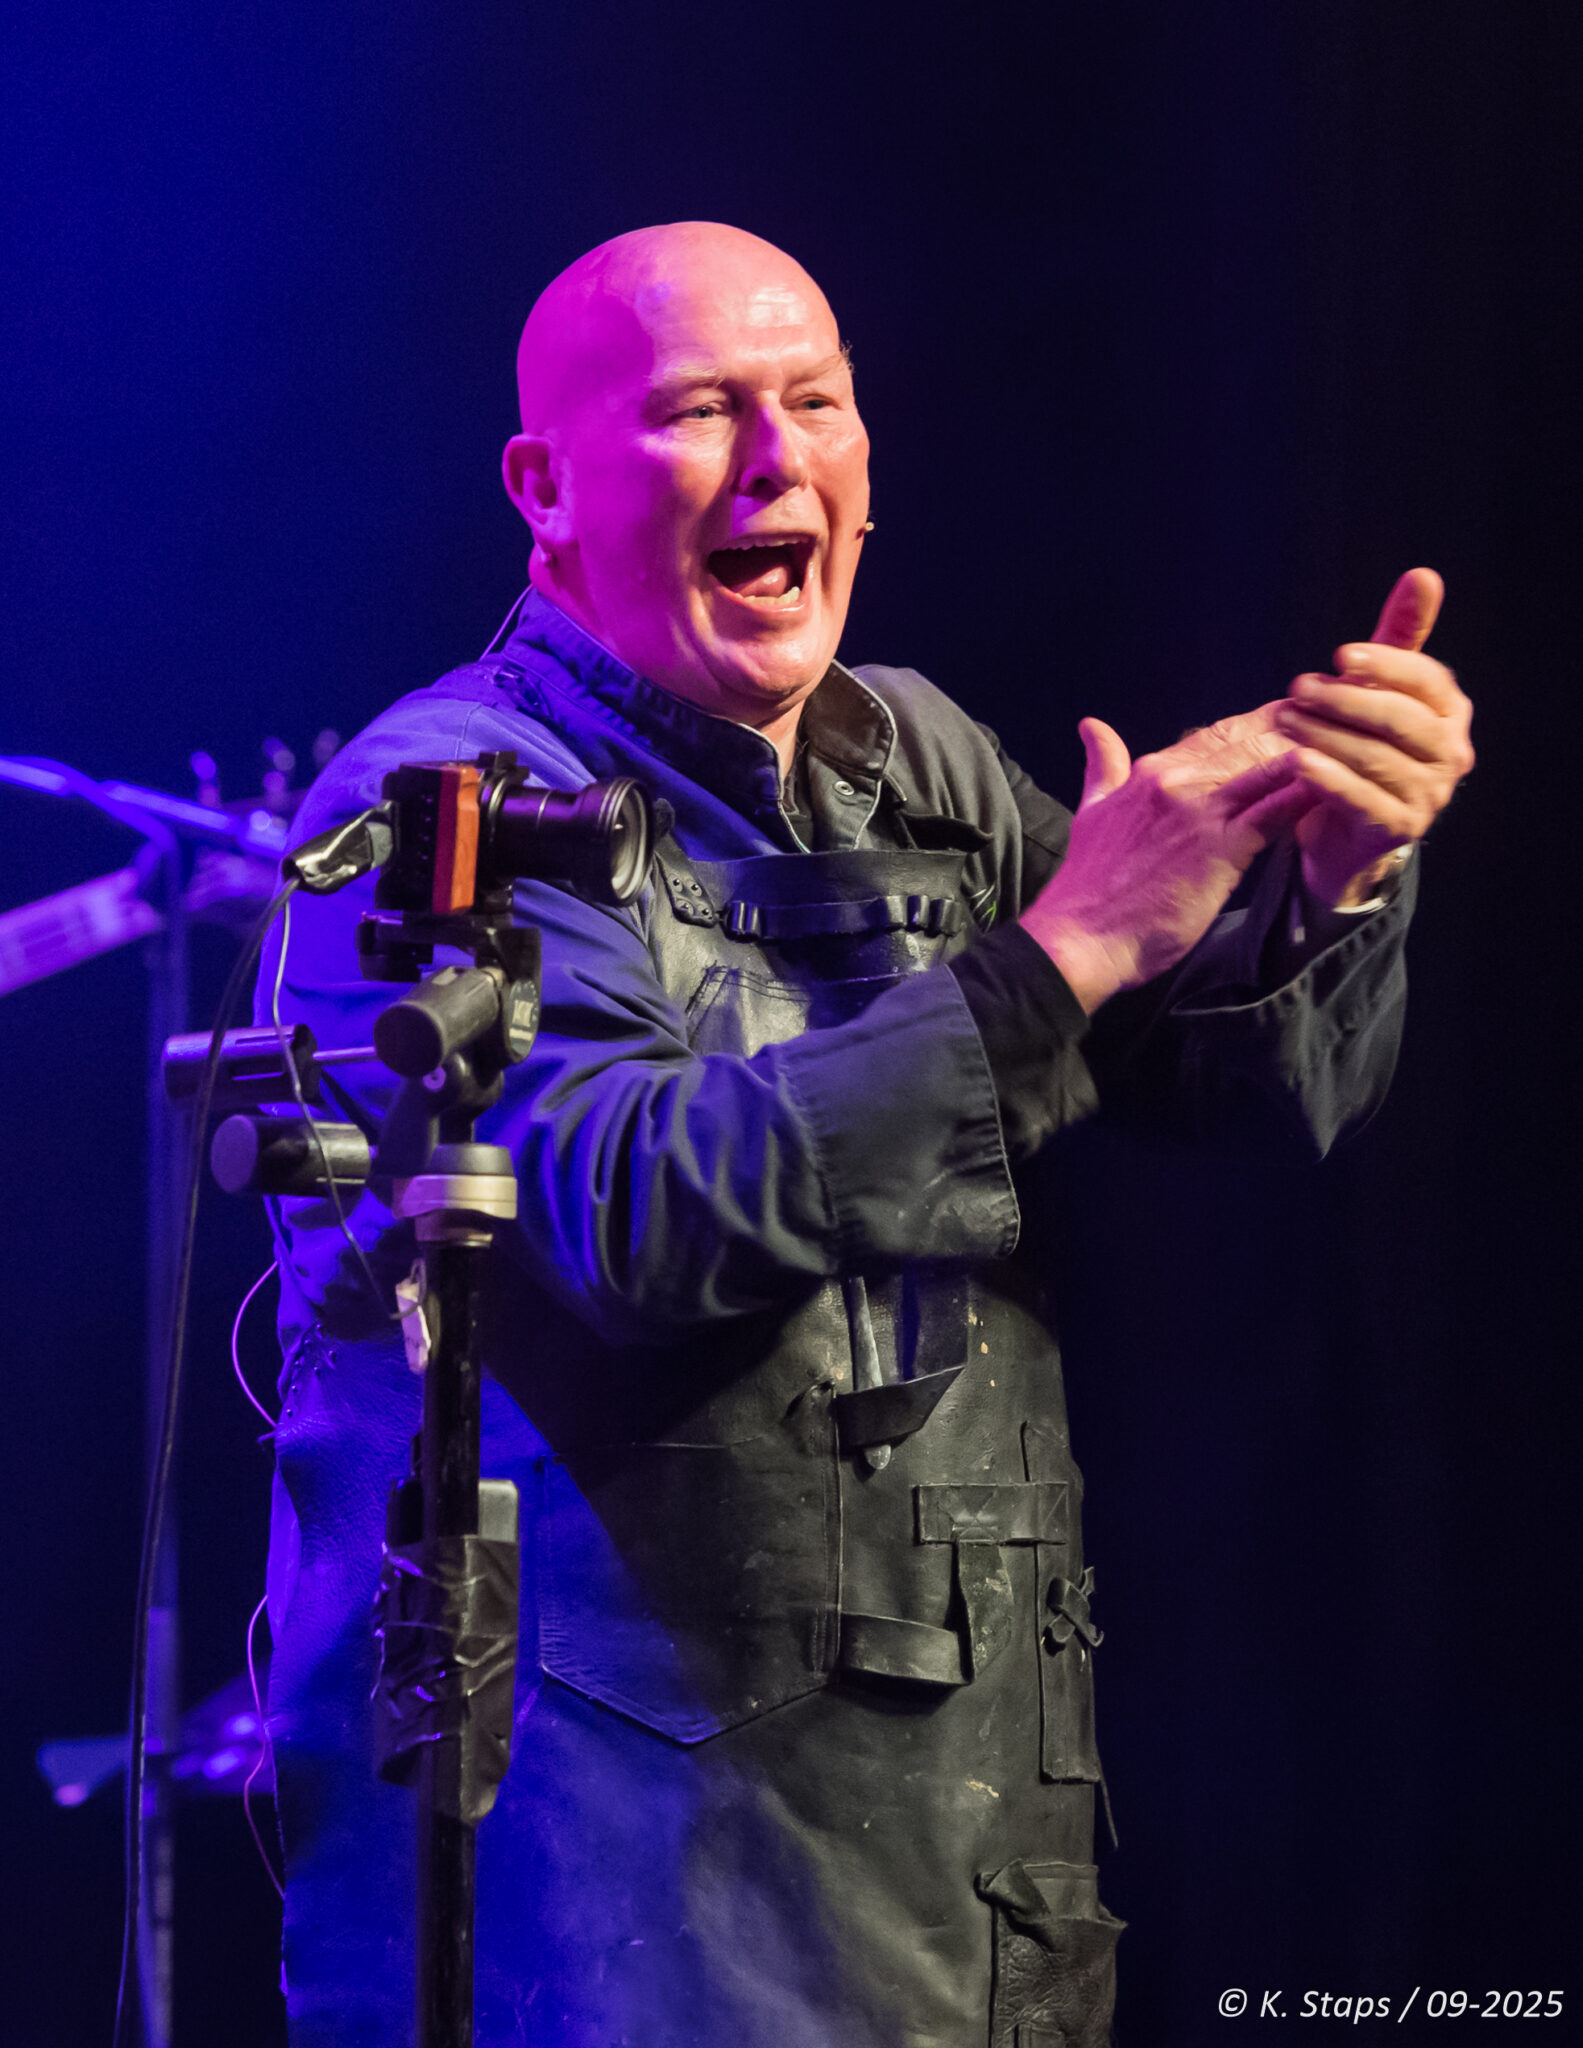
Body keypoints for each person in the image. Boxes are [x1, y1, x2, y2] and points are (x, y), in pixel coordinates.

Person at [260, 222, 1474, 2047]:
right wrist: (1073, 941)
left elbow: (1228, 1090)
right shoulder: (447, 802)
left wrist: (1334, 878)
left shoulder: (919, 757)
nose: (777, 459)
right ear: (546, 487)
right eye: (701, 412)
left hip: (976, 1846)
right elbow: (621, 1212)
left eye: (814, 402)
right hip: (621, 1881)